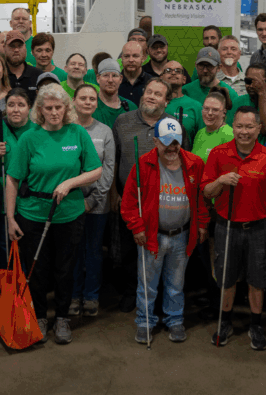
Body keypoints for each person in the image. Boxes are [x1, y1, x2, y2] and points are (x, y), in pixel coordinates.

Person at [6, 84, 102, 345]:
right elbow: (12, 179)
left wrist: (70, 183)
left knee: (65, 269)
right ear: (40, 110)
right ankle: (39, 317)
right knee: (37, 270)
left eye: (59, 107)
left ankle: (61, 317)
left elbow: (95, 171)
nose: (54, 112)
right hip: (33, 215)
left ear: (66, 108)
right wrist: (11, 217)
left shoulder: (77, 133)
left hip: (68, 215)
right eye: (48, 108)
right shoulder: (29, 138)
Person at [122, 117, 209, 344]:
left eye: (176, 142)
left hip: (182, 235)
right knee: (147, 284)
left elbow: (199, 199)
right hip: (152, 235)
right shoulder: (143, 165)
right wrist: (137, 227)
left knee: (176, 284)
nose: (172, 148)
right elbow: (130, 202)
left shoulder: (194, 163)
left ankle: (174, 320)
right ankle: (145, 321)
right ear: (155, 141)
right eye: (167, 142)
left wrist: (201, 223)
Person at [202, 106, 266, 350]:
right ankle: (224, 322)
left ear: (258, 129)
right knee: (226, 279)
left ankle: (255, 325)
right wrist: (220, 181)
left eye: (249, 127)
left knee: (257, 281)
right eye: (239, 126)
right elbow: (206, 192)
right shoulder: (218, 154)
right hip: (226, 228)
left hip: (259, 229)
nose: (244, 132)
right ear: (232, 126)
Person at [111, 78, 174, 312]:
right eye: (149, 92)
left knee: (157, 250)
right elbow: (114, 159)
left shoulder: (173, 125)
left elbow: (180, 161)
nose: (151, 96)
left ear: (166, 101)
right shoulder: (123, 121)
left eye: (158, 94)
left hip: (163, 201)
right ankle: (131, 291)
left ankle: (157, 297)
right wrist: (115, 193)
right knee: (129, 249)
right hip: (130, 200)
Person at [69, 84, 116, 318]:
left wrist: (94, 200)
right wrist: (77, 200)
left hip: (98, 205)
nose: (88, 102)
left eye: (92, 99)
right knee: (74, 251)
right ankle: (73, 295)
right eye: (83, 98)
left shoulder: (105, 132)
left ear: (97, 103)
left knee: (94, 251)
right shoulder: (66, 130)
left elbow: (108, 170)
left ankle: (91, 296)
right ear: (74, 101)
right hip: (71, 204)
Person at [0, 88, 34, 269]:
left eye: (21, 105)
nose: (15, 109)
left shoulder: (37, 130)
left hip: (29, 203)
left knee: (28, 249)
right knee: (3, 249)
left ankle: (26, 291)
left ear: (30, 108)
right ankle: (7, 291)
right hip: (0, 202)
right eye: (11, 105)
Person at [182, 47, 240, 111]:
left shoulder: (230, 94)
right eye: (201, 65)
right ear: (196, 66)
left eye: (210, 66)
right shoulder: (185, 91)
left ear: (219, 68)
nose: (205, 70)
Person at [235, 63, 266, 137]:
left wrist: (261, 93)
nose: (251, 85)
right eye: (248, 81)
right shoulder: (238, 101)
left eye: (257, 82)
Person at [163, 62, 203, 141]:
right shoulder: (155, 102)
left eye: (178, 71)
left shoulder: (196, 106)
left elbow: (201, 138)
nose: (173, 73)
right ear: (161, 77)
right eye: (168, 70)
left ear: (184, 79)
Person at [192, 90, 234, 162]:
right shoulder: (200, 133)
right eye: (206, 109)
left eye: (215, 110)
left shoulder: (229, 135)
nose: (210, 113)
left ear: (224, 112)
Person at [94, 58, 134, 128]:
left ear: (120, 79)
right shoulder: (90, 107)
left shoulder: (131, 108)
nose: (110, 80)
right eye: (105, 75)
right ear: (98, 78)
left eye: (114, 75)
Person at [4, 30, 40, 100]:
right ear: (4, 48)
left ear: (25, 48)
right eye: (12, 46)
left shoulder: (38, 76)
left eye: (20, 46)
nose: (16, 50)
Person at [119, 41, 153, 106]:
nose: (131, 60)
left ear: (142, 59)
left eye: (135, 56)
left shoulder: (152, 82)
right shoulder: (114, 83)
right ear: (122, 58)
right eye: (127, 56)